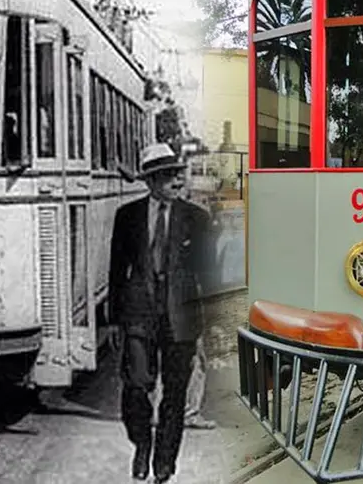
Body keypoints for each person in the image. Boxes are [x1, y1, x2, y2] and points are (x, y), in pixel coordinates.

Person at [108, 142, 214, 483]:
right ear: (151, 181)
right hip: (139, 316)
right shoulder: (127, 217)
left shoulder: (196, 218)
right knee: (136, 386)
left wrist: (212, 323)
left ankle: (164, 465)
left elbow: (208, 273)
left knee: (175, 394)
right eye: (168, 176)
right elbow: (116, 271)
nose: (177, 182)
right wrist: (113, 321)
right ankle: (141, 442)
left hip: (181, 321)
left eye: (178, 175)